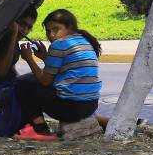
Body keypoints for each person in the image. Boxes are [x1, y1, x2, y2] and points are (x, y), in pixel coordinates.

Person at [13, 9, 102, 141]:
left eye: (56, 29)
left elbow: (45, 81)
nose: (52, 35)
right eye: (48, 31)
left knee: (22, 84)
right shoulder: (84, 41)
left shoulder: (59, 44)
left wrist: (28, 58)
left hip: (69, 108)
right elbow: (64, 69)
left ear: (70, 27)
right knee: (32, 79)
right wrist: (45, 56)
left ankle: (41, 130)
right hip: (90, 106)